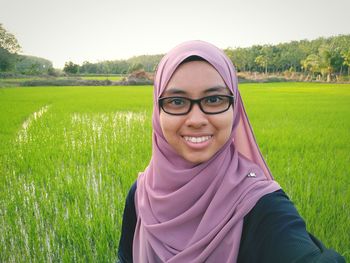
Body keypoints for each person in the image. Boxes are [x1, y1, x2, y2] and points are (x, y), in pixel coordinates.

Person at [117, 40, 345, 262]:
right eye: (176, 101)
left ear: (235, 109)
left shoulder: (260, 205)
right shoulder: (141, 193)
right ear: (158, 112)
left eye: (214, 99)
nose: (196, 119)